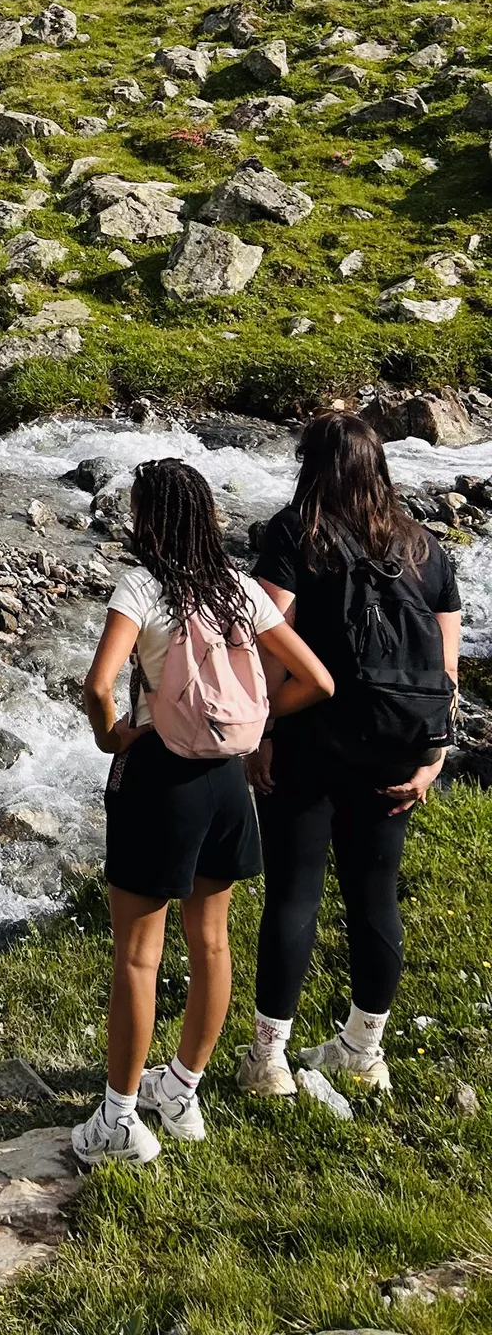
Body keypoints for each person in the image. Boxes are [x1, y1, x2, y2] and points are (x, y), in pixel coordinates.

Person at [75, 457, 334, 1166]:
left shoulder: (141, 587)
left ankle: (120, 1120)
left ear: (149, 519)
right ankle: (182, 1089)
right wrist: (249, 721)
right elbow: (318, 679)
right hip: (227, 784)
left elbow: (99, 686)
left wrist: (114, 737)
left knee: (137, 955)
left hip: (162, 779)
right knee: (212, 942)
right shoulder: (240, 590)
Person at [240, 411, 461, 1098]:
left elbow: (267, 646)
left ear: (312, 465)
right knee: (375, 894)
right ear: (380, 467)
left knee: (295, 894)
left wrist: (261, 735)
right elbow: (442, 675)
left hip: (310, 745)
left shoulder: (292, 535)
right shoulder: (426, 548)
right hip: (397, 749)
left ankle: (269, 1061)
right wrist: (433, 759)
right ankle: (365, 1051)